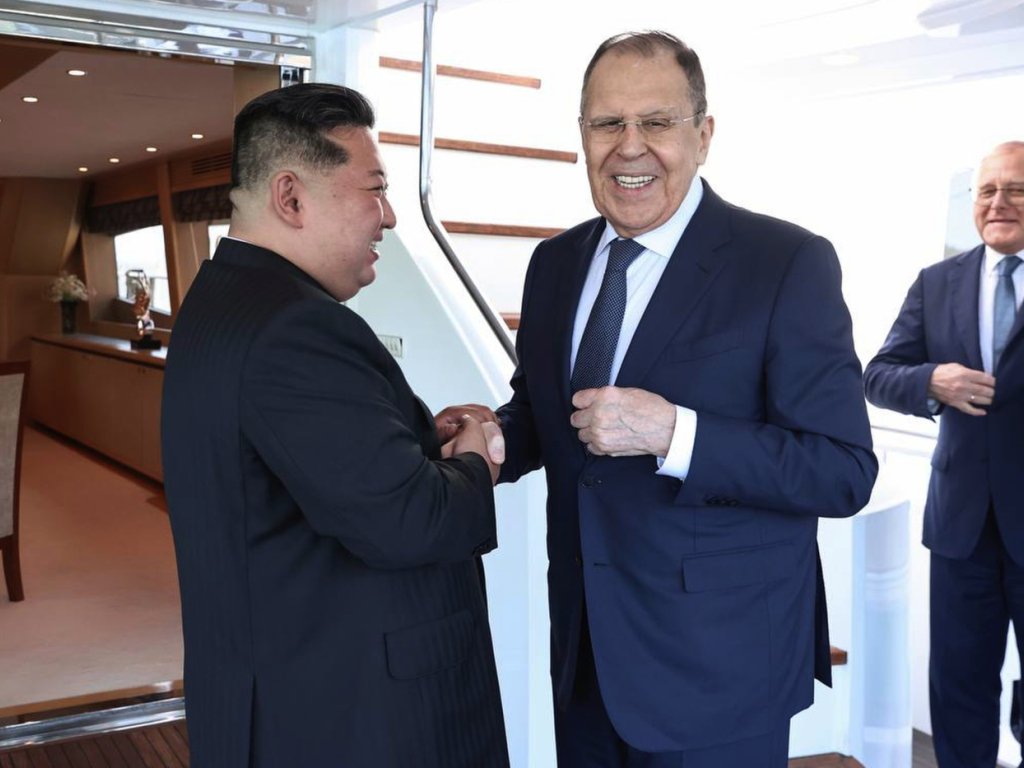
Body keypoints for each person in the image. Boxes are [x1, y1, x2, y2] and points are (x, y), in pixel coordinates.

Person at [447, 30, 879, 767]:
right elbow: (548, 411)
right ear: (582, 135)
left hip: (720, 666)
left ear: (703, 136)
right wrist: (495, 440)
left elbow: (842, 470)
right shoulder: (554, 262)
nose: (629, 146)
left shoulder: (786, 262)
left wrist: (678, 434)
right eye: (607, 123)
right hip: (586, 654)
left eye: (656, 121)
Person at [161, 83, 509, 768]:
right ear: (290, 198)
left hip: (271, 689)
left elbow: (307, 468)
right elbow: (409, 521)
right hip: (348, 716)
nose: (390, 217)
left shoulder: (218, 302)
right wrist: (477, 460)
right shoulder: (299, 326)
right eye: (375, 190)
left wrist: (415, 442)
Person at [864, 141, 1024, 768]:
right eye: (987, 190)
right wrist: (932, 381)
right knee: (959, 688)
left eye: (1016, 189)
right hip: (962, 527)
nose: (999, 202)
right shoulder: (937, 282)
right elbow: (878, 375)